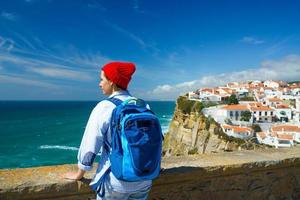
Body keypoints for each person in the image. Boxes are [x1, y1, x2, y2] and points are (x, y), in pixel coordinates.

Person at [63, 62, 152, 200]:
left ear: (112, 82)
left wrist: (79, 173)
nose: (99, 84)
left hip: (116, 181)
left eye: (102, 79)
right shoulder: (143, 105)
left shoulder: (104, 107)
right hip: (144, 178)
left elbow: (90, 144)